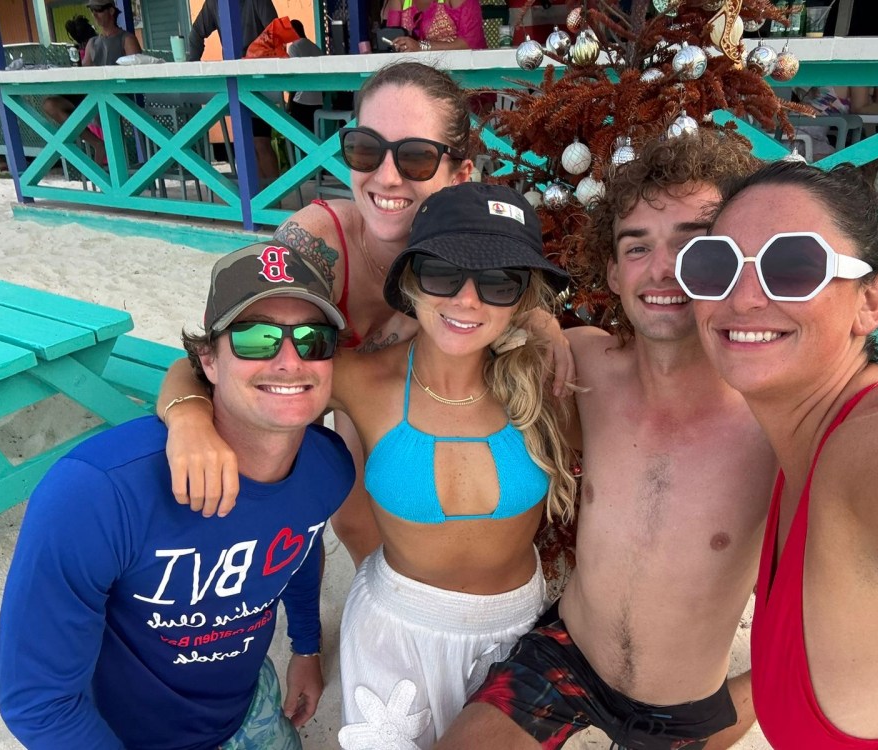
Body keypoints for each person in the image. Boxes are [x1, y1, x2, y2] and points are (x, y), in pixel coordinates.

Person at [162, 181, 577, 748]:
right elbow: (207, 363)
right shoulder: (362, 377)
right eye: (442, 274)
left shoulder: (550, 379)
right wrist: (187, 419)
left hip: (518, 632)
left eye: (499, 281)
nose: (467, 300)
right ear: (409, 280)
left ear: (524, 294)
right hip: (396, 632)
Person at [436, 130, 778, 750]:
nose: (663, 268)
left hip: (681, 704)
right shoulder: (586, 362)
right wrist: (540, 318)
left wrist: (763, 689)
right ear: (614, 273)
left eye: (692, 243)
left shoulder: (773, 419)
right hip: (566, 656)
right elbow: (456, 322)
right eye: (637, 247)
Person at [159, 61, 573, 569]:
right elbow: (216, 354)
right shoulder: (315, 246)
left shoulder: (478, 270)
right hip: (311, 391)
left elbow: (528, 310)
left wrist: (544, 324)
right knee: (347, 517)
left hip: (400, 395)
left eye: (418, 157)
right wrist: (187, 419)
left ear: (461, 173)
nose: (387, 175)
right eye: (366, 149)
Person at [0, 245, 356, 749]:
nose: (289, 360)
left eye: (313, 340)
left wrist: (305, 649)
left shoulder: (328, 467)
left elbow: (299, 546)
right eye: (257, 338)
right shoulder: (97, 492)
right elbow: (38, 702)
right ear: (207, 359)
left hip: (251, 706)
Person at [681, 161, 878, 748]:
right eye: (716, 266)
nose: (744, 297)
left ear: (870, 302)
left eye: (794, 266)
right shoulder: (798, 442)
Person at [188, 0, 281, 181]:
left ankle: (273, 202)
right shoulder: (214, 3)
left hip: (260, 80)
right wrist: (193, 66)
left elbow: (276, 32)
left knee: (261, 141)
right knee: (247, 143)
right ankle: (259, 201)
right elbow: (196, 33)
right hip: (234, 82)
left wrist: (255, 56)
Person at [42, 0, 141, 166]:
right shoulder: (92, 42)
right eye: (92, 10)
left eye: (99, 10)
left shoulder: (126, 38)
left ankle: (108, 175)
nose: (94, 14)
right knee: (50, 104)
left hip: (117, 97)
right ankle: (96, 144)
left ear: (111, 11)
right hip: (92, 95)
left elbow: (138, 73)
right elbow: (86, 73)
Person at [382, 0, 487, 52]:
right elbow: (391, 40)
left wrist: (421, 46)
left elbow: (469, 43)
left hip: (463, 79)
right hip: (418, 78)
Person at [286, 20, 324, 133]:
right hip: (317, 100)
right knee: (312, 134)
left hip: (301, 99)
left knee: (297, 135)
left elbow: (295, 77)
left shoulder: (294, 47)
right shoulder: (316, 48)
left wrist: (290, 103)